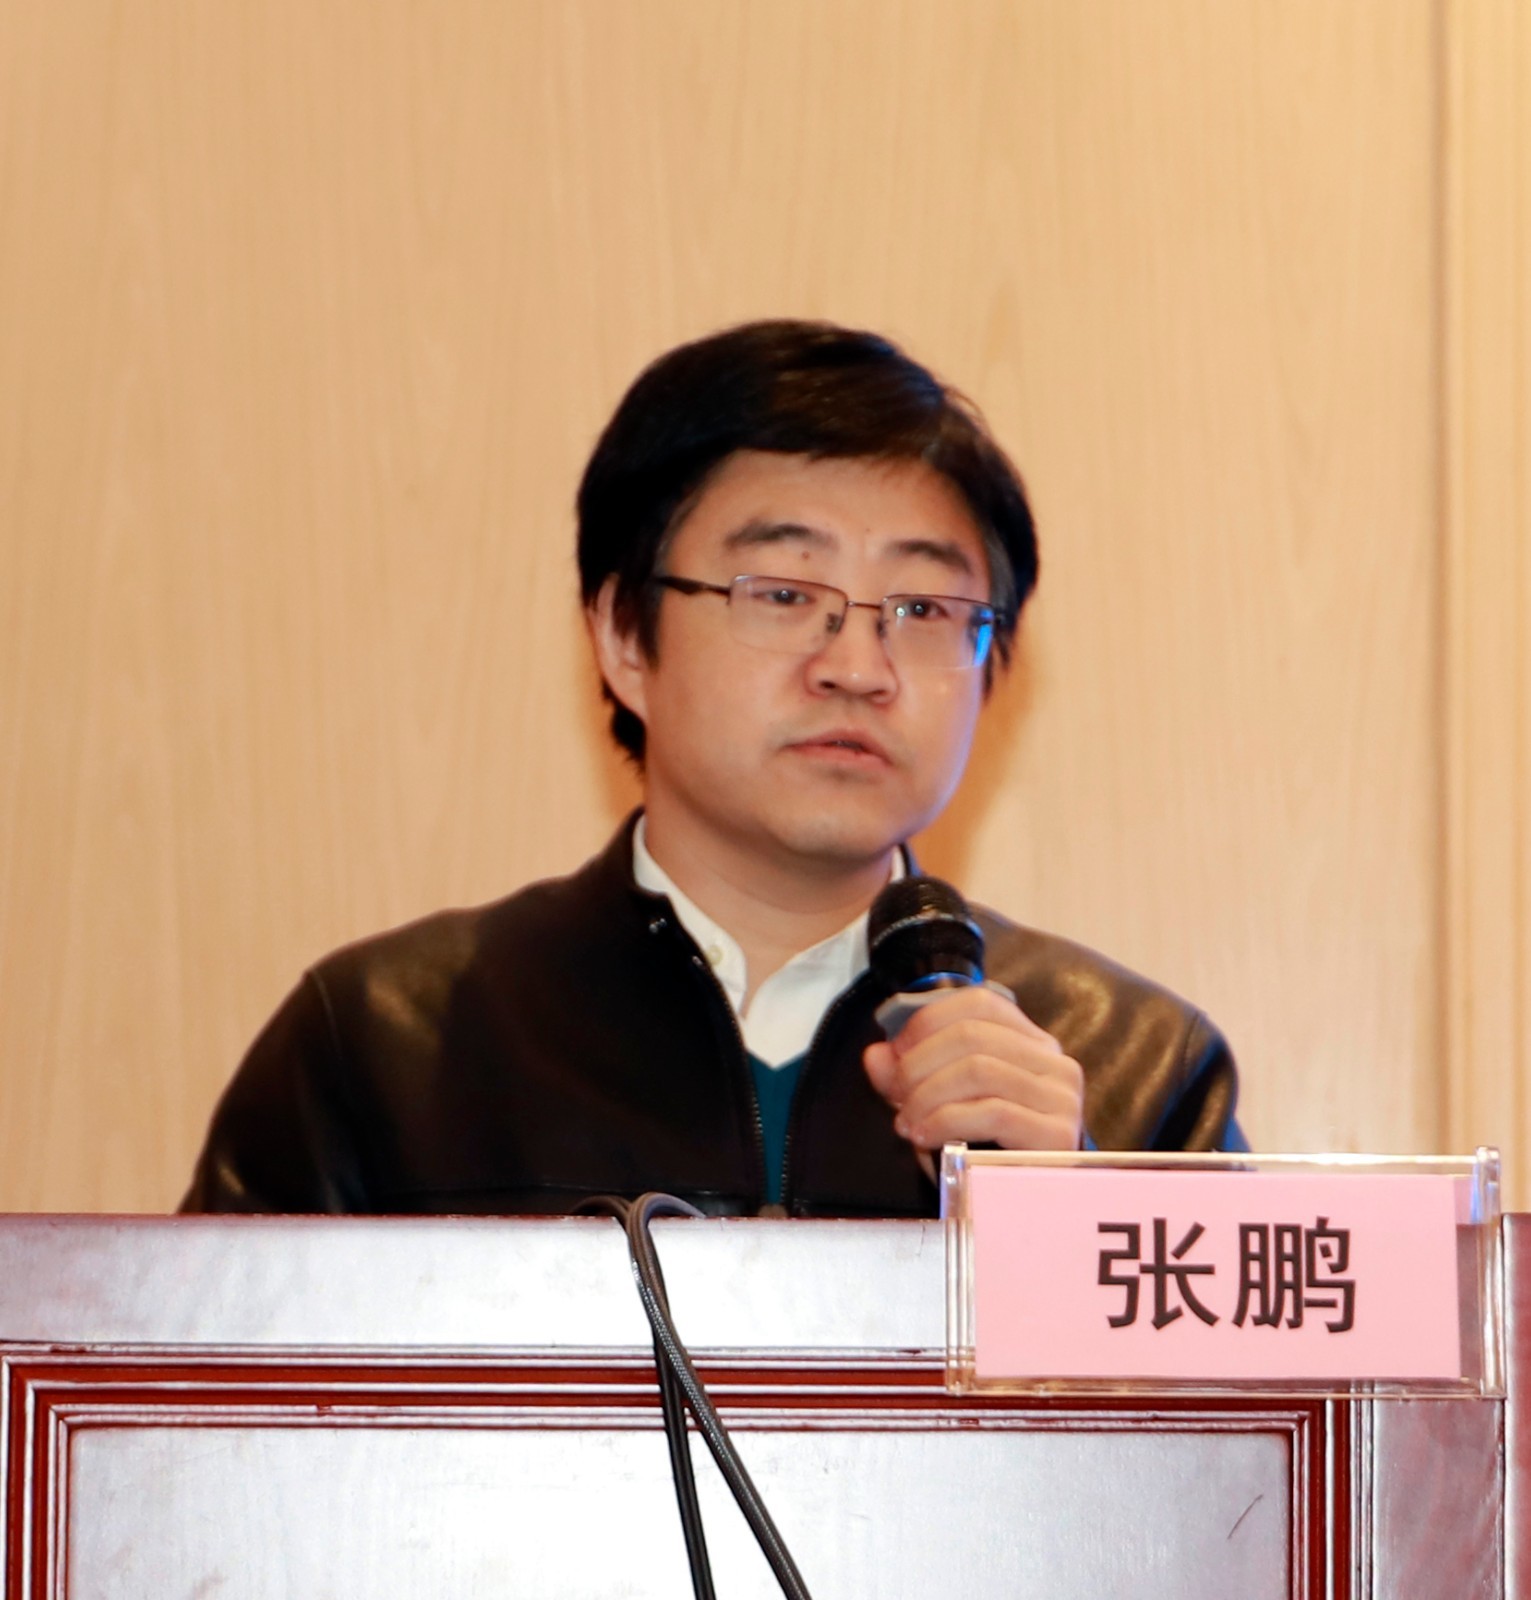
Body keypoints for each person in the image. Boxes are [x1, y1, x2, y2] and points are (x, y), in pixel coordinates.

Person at [182, 319, 1243, 1217]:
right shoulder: (384, 1048)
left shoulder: (1136, 1068)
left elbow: (1250, 1405)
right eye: (781, 593)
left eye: (923, 608)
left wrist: (1072, 1224)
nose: (857, 666)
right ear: (623, 637)